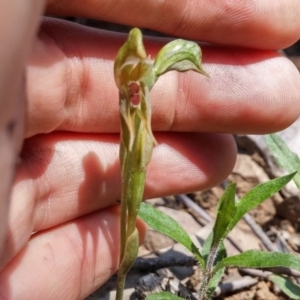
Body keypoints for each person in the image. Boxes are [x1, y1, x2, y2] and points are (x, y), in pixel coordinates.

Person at [0, 1, 299, 299]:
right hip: (128, 128)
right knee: (128, 186)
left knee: (134, 194)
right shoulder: (129, 99)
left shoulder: (146, 91)